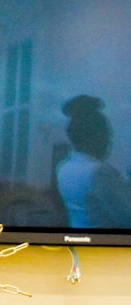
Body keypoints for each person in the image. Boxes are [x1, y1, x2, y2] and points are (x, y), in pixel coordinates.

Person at [56, 94, 131, 228]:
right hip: (105, 246)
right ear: (94, 137)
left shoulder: (63, 167)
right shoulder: (99, 172)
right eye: (107, 136)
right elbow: (127, 217)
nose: (109, 142)